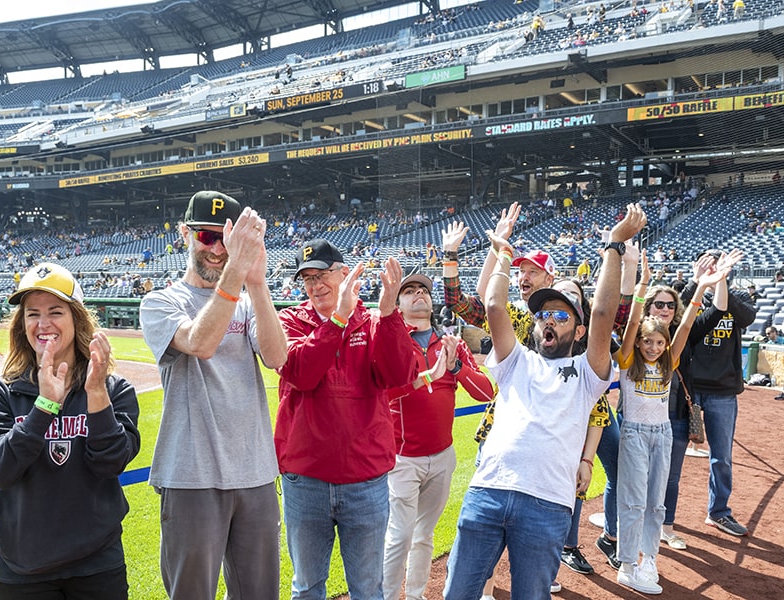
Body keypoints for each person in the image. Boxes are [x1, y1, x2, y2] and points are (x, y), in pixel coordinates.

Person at [443, 204, 646, 600]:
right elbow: (494, 306)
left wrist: (615, 245)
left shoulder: (589, 372)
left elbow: (605, 311)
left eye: (561, 315)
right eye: (543, 315)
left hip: (547, 505)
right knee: (458, 594)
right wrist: (501, 252)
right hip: (487, 493)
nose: (548, 320)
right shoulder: (516, 358)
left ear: (580, 329)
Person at [139, 191, 287, 600]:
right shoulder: (162, 301)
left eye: (228, 239)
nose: (218, 249)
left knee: (259, 594)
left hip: (255, 473)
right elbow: (199, 342)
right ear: (185, 234)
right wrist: (237, 271)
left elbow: (277, 357)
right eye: (208, 236)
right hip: (191, 476)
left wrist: (257, 284)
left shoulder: (247, 298)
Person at [0, 262, 140, 599]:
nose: (43, 323)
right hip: (22, 567)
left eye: (55, 312)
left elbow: (110, 464)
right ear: (22, 324)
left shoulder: (112, 389)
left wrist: (95, 393)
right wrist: (44, 406)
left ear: (76, 319)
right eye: (32, 313)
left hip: (96, 562)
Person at [276, 239, 416, 599]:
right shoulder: (289, 319)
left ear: (343, 273)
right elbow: (301, 372)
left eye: (322, 274)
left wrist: (388, 314)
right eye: (307, 278)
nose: (315, 285)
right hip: (306, 479)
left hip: (365, 480)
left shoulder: (372, 322)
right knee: (307, 586)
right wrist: (338, 319)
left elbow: (398, 373)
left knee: (368, 588)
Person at [615, 251, 730, 594]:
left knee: (656, 503)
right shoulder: (626, 359)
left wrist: (701, 289)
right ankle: (626, 563)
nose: (652, 346)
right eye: (647, 342)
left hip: (662, 434)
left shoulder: (670, 359)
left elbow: (685, 325)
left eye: (658, 342)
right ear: (637, 343)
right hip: (634, 434)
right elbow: (634, 323)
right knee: (633, 501)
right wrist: (643, 284)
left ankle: (649, 557)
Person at [382, 273, 495, 600]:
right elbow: (382, 393)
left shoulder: (452, 343)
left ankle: (415, 595)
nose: (418, 295)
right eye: (409, 291)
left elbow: (485, 392)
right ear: (398, 303)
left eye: (423, 290)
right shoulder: (393, 339)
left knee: (423, 536)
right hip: (402, 458)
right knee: (399, 536)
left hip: (442, 455)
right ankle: (388, 596)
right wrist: (426, 377)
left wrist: (456, 365)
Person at [681, 248, 757, 537]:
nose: (715, 268)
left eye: (720, 264)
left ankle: (719, 512)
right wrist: (698, 280)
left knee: (721, 457)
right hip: (688, 388)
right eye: (710, 263)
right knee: (673, 454)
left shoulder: (741, 298)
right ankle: (663, 516)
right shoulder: (691, 293)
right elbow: (675, 311)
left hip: (723, 390)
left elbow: (747, 317)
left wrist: (720, 282)